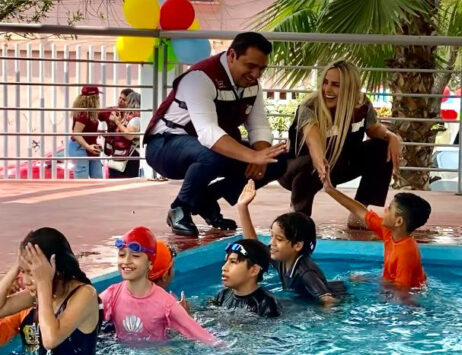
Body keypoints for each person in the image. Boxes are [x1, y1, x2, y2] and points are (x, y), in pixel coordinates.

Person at [144, 32, 287, 237]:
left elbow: (259, 126)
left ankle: (206, 198)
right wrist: (252, 156)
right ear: (231, 56)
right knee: (213, 152)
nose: (256, 74)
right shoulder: (199, 78)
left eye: (261, 69)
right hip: (164, 147)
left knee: (278, 160)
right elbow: (208, 132)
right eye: (250, 66)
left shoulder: (252, 86)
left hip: (207, 148)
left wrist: (262, 154)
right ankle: (180, 207)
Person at [277, 60, 401, 225]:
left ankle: (360, 213)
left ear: (350, 89)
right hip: (296, 170)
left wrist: (391, 136)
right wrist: (320, 163)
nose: (327, 89)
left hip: (338, 164)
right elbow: (312, 139)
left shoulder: (361, 104)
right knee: (309, 163)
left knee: (381, 147)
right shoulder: (308, 106)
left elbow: (373, 128)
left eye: (335, 85)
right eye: (325, 82)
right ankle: (299, 218)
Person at [0, 228, 102, 355]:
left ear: (55, 269)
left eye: (32, 273)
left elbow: (50, 339)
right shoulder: (45, 293)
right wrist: (16, 267)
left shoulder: (85, 295)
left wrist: (43, 283)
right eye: (23, 272)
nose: (25, 280)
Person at [100, 227, 217, 344]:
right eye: (121, 255)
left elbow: (204, 337)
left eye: (135, 256)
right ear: (166, 273)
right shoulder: (112, 294)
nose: (126, 261)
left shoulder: (166, 304)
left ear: (150, 264)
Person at [236, 180, 345, 306]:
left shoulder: (306, 272)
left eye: (279, 239)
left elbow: (328, 299)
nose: (272, 243)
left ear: (297, 245)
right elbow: (254, 247)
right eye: (272, 236)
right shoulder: (282, 258)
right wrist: (242, 207)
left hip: (338, 295)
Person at [323, 177, 431, 292]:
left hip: (410, 295)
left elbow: (402, 292)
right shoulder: (390, 232)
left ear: (398, 221)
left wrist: (370, 281)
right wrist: (330, 190)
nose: (385, 210)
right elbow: (360, 211)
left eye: (389, 209)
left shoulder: (406, 252)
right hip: (393, 286)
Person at [213, 239, 281, 317]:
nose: (223, 268)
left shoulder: (267, 304)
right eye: (225, 262)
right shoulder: (222, 295)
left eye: (233, 262)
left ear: (254, 270)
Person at [104, 91, 142, 178]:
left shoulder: (135, 119)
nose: (123, 102)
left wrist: (117, 122)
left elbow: (129, 135)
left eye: (126, 100)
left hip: (129, 157)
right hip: (123, 155)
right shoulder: (128, 117)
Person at [69, 85, 103, 179]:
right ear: (93, 98)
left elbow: (84, 129)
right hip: (81, 147)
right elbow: (76, 133)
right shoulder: (84, 114)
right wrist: (88, 146)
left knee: (97, 176)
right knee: (82, 178)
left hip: (89, 146)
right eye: (97, 96)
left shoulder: (88, 112)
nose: (98, 99)